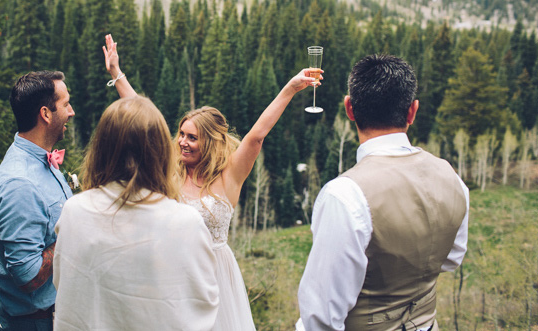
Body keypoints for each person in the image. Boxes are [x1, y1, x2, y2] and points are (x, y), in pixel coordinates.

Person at [103, 34, 322, 330]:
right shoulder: (171, 169)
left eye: (192, 137)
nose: (182, 142)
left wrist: (291, 88)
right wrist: (117, 74)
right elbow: (143, 122)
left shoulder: (230, 174)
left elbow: (256, 136)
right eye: (181, 134)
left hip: (214, 276)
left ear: (210, 142)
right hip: (172, 272)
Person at [296, 54, 470, 331]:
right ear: (412, 111)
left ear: (350, 109)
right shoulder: (451, 176)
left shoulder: (344, 194)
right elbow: (452, 258)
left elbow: (321, 317)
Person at [53, 96, 220, 330]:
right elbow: (204, 302)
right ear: (160, 152)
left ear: (101, 149)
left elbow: (64, 286)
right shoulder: (186, 222)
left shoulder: (74, 211)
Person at [0, 71, 75, 330]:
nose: (71, 112)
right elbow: (27, 276)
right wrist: (77, 232)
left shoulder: (39, 158)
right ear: (46, 114)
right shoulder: (20, 184)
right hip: (36, 323)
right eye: (66, 104)